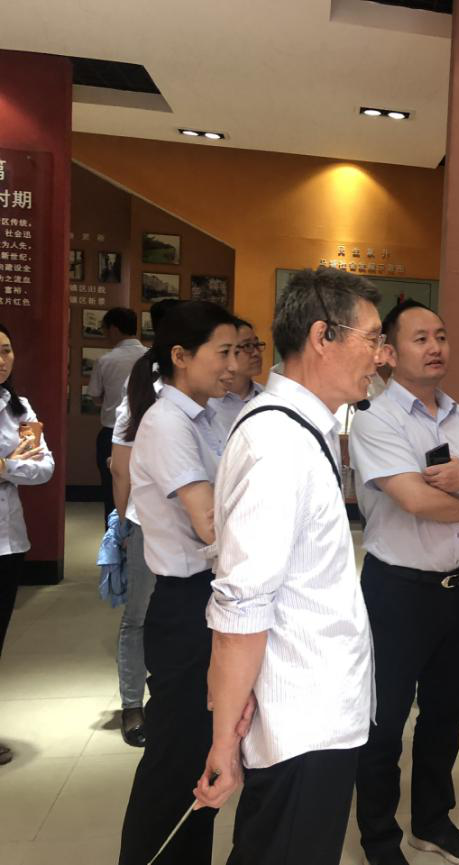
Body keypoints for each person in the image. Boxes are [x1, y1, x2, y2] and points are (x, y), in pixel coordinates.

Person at [192, 268, 380, 865]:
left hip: (313, 707)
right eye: (373, 339)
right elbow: (242, 602)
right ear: (323, 337)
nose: (381, 356)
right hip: (301, 718)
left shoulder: (300, 430)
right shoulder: (277, 442)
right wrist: (224, 740)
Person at [351, 299, 459, 865]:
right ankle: (379, 838)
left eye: (441, 336)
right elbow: (418, 502)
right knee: (384, 722)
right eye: (420, 338)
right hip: (397, 592)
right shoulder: (376, 419)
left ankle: (431, 822)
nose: (435, 347)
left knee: (448, 713)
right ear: (388, 352)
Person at [117, 301, 239, 865]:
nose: (233, 365)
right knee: (175, 758)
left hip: (207, 598)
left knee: (200, 758)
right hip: (185, 604)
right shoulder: (167, 422)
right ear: (181, 355)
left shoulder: (206, 417)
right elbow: (209, 520)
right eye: (223, 352)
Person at [109, 299, 182, 748]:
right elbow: (121, 470)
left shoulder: (207, 392)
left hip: (186, 527)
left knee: (173, 616)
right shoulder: (141, 390)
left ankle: (167, 701)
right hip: (147, 523)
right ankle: (132, 704)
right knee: (139, 616)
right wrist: (123, 524)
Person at [0, 322, 55, 766]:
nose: (2, 360)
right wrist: (9, 464)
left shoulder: (20, 409)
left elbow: (44, 468)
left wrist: (5, 468)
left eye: (6, 350)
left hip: (9, 541)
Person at [88, 307, 147, 521]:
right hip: (147, 435)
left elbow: (95, 396)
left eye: (105, 329)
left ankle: (115, 535)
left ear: (113, 329)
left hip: (112, 434)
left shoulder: (106, 360)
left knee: (111, 492)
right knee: (146, 492)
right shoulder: (150, 357)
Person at [209, 318, 265, 436]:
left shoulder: (266, 396)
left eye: (257, 345)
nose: (256, 353)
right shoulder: (208, 403)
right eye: (247, 346)